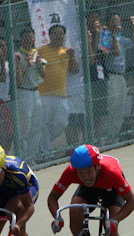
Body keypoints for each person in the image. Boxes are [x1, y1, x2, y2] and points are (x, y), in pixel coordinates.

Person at [37, 24, 79, 153]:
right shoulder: (41, 50)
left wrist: (72, 56)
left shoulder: (66, 52)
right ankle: (46, 153)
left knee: (62, 123)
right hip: (44, 94)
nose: (58, 36)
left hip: (61, 96)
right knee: (44, 124)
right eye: (55, 33)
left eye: (61, 33)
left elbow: (75, 70)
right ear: (50, 36)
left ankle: (44, 142)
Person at [14, 27, 46, 161]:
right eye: (26, 37)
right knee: (24, 126)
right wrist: (27, 65)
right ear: (21, 39)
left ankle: (31, 157)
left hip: (36, 92)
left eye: (31, 37)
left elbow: (44, 76)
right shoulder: (18, 55)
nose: (28, 40)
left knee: (37, 125)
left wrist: (39, 65)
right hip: (24, 93)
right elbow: (19, 82)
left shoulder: (37, 53)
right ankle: (22, 157)